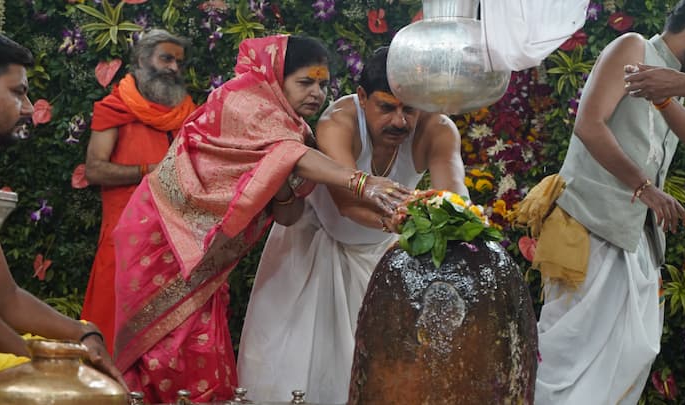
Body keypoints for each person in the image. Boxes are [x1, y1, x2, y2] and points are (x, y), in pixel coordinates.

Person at [111, 35, 408, 403]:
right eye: (305, 82)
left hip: (206, 259)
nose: (317, 93)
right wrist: (363, 182)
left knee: (201, 350)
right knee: (166, 353)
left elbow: (289, 213)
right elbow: (289, 154)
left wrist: (282, 186)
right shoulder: (241, 99)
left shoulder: (295, 130)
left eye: (323, 84)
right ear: (275, 77)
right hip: (164, 236)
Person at [237, 47, 467, 404]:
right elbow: (347, 204)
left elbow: (455, 201)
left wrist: (449, 224)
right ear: (361, 97)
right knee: (288, 364)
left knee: (381, 368)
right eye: (387, 107)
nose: (400, 122)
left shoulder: (437, 130)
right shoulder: (338, 122)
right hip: (314, 246)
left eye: (410, 109)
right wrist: (408, 223)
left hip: (383, 254)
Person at [527, 2, 685, 403]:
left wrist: (671, 97)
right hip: (591, 221)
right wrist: (644, 187)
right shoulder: (633, 47)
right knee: (567, 356)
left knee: (632, 353)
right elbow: (589, 124)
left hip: (636, 237)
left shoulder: (671, 84)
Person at [0, 27, 125, 404]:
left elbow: (4, 296)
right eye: (18, 91)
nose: (27, 107)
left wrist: (83, 333)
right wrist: (45, 366)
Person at [81, 29, 196, 354]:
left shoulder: (188, 115)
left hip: (174, 248)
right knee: (113, 342)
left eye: (179, 62)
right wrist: (150, 171)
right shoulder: (114, 108)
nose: (174, 68)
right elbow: (95, 169)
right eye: (166, 58)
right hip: (122, 245)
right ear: (143, 60)